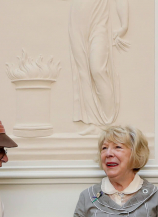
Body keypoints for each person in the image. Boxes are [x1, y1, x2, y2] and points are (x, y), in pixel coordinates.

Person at [66, 0, 130, 134]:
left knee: (97, 70)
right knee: (83, 73)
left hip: (98, 24)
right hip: (77, 22)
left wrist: (124, 25)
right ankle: (95, 123)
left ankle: (107, 122)